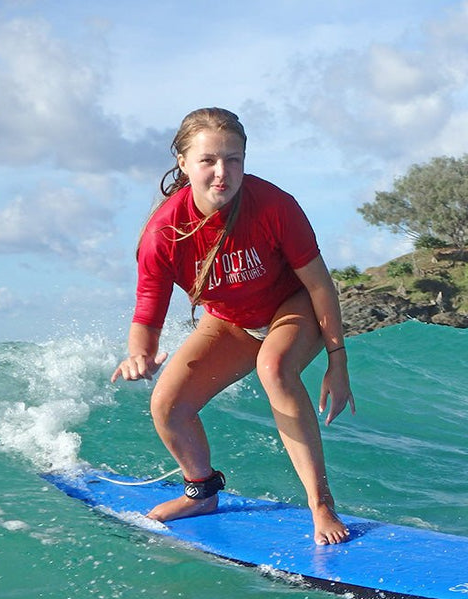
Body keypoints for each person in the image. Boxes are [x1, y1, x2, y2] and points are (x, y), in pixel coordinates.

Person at [111, 107, 354, 545]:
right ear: (183, 163)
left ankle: (321, 504)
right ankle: (201, 493)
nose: (222, 172)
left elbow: (320, 285)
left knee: (274, 367)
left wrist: (338, 361)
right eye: (208, 160)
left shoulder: (274, 205)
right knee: (168, 404)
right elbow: (147, 312)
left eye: (233, 159)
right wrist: (139, 356)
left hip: (291, 307)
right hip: (230, 321)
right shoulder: (163, 234)